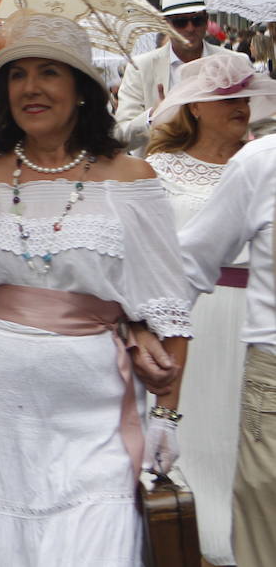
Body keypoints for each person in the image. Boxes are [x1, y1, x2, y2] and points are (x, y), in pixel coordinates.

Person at [0, 10, 193, 567]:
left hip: (92, 417)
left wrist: (166, 418)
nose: (31, 88)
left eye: (49, 72)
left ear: (83, 91)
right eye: (17, 75)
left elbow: (169, 313)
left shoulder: (132, 181)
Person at [144, 51, 276, 566]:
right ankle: (200, 538)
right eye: (226, 98)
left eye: (244, 96)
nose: (238, 106)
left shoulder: (257, 158)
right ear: (195, 108)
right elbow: (169, 261)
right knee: (206, 435)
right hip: (201, 313)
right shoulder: (157, 169)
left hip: (252, 311)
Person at [115, 0, 224, 150]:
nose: (190, 28)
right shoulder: (140, 68)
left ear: (206, 20)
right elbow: (120, 137)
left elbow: (261, 124)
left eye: (197, 20)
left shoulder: (231, 61)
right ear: (165, 24)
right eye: (180, 22)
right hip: (160, 171)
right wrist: (152, 117)